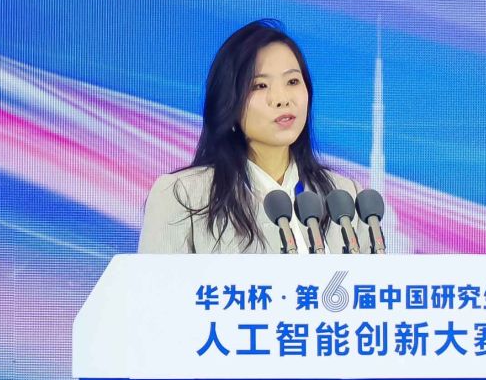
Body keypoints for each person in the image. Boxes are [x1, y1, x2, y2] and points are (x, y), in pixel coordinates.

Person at [138, 19, 360, 253]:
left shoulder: (344, 197)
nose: (281, 99)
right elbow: (156, 279)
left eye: (293, 81)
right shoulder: (183, 196)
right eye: (260, 86)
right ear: (229, 103)